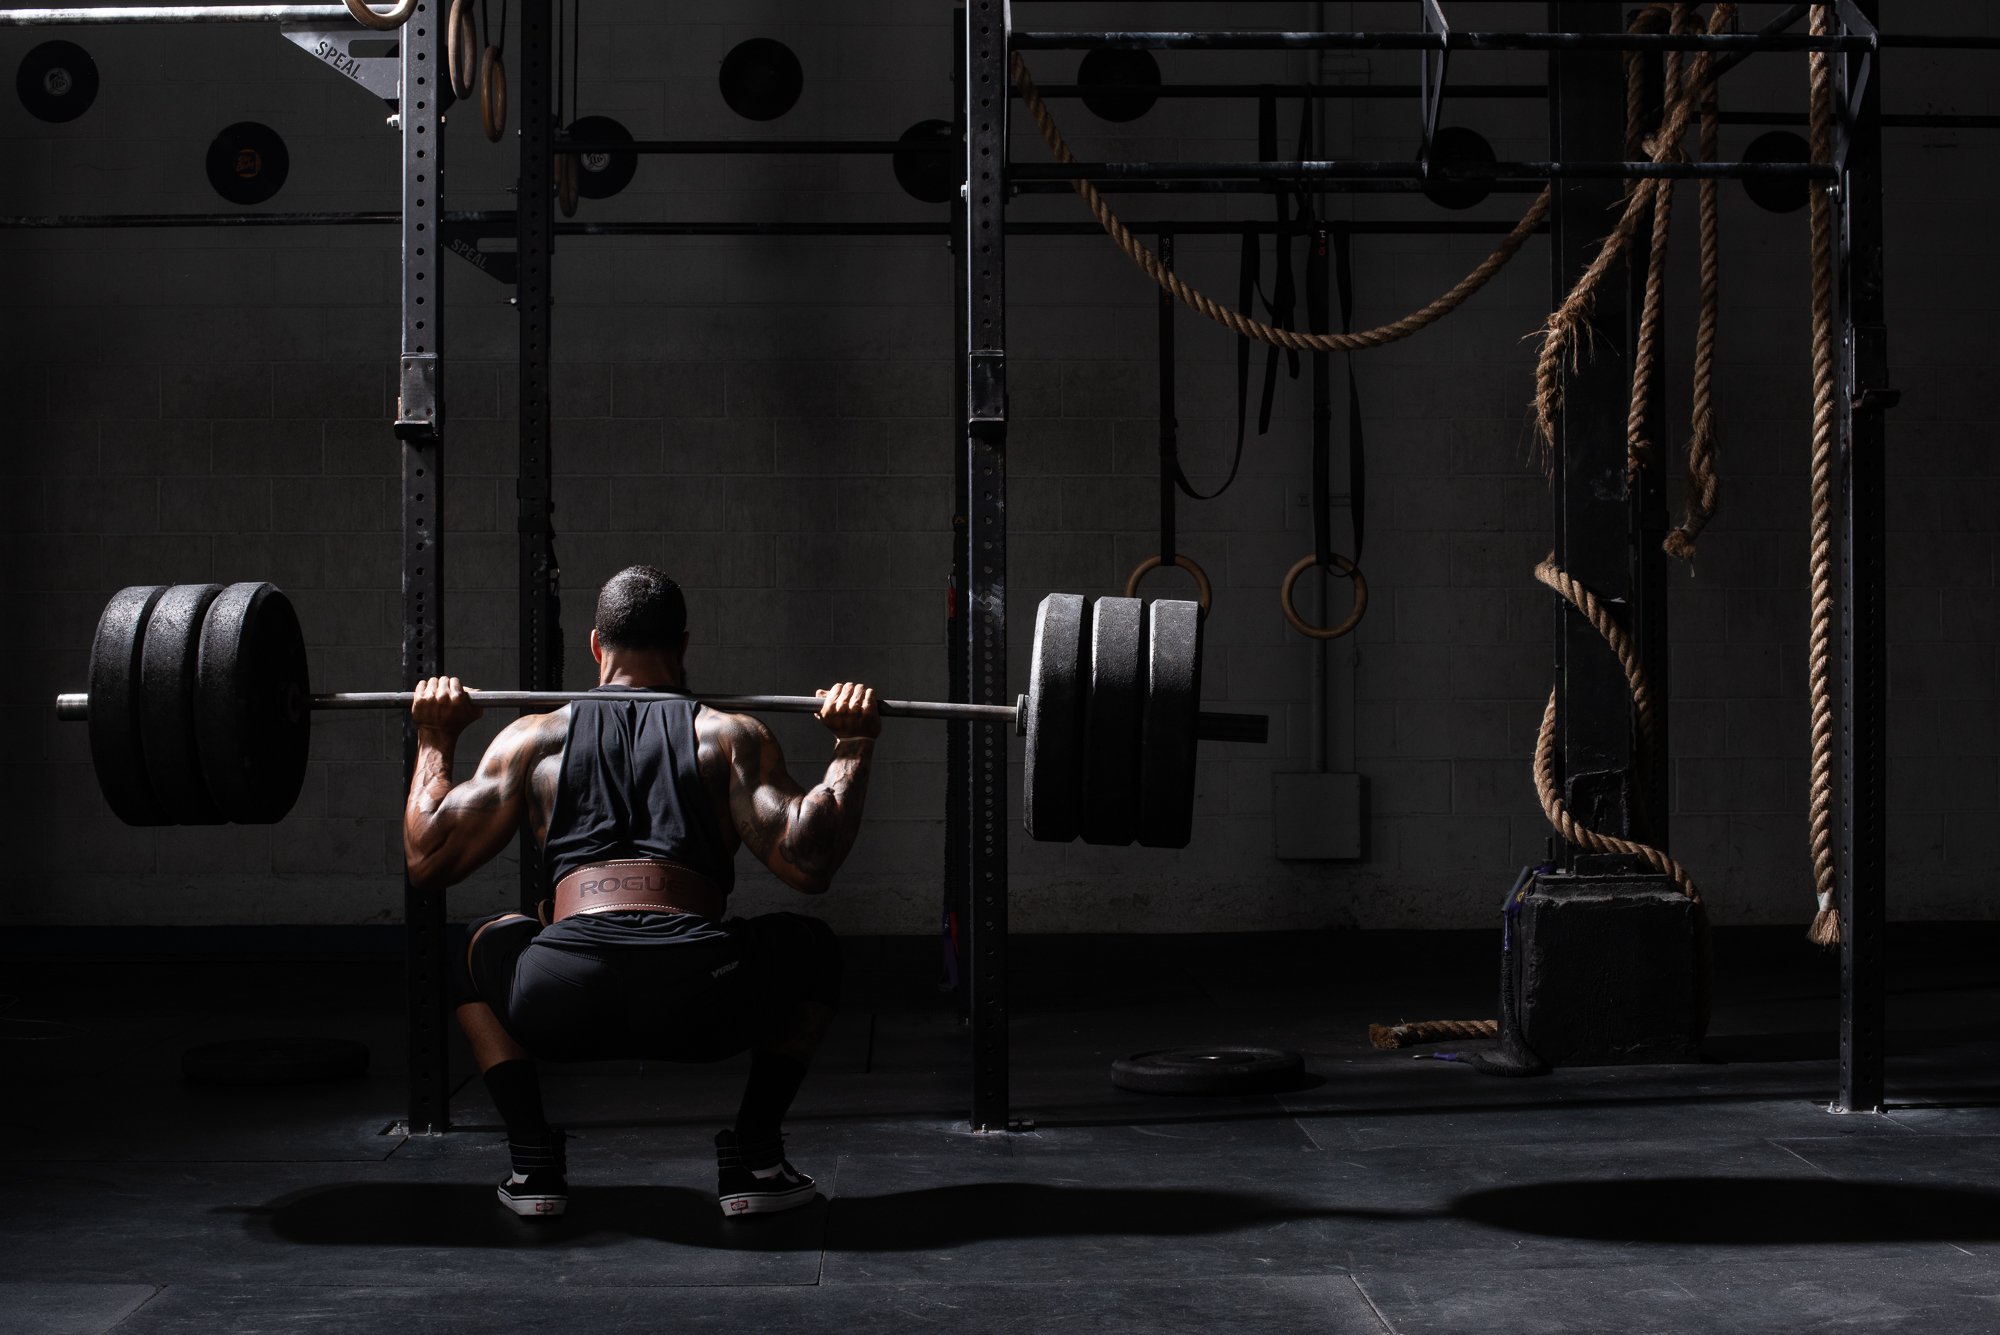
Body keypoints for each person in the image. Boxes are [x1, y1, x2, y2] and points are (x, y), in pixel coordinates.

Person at [402, 565, 877, 1220]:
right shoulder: (730, 736)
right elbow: (809, 862)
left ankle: (533, 1160)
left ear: (596, 645)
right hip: (705, 995)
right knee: (813, 948)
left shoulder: (531, 739)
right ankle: (755, 1157)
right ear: (683, 645)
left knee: (478, 945)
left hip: (559, 993)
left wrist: (435, 736)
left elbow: (426, 858)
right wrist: (852, 743)